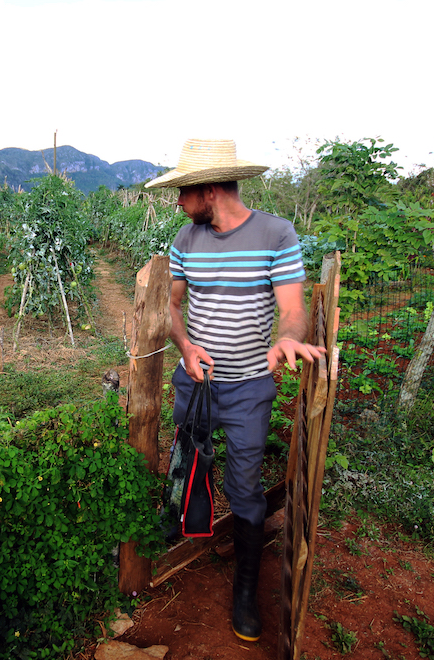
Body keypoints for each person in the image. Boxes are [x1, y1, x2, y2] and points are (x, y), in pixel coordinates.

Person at [146, 138, 326, 642]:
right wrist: (183, 346)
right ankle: (183, 524)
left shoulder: (276, 234)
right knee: (190, 458)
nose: (178, 202)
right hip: (196, 382)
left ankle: (245, 586)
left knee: (243, 484)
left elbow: (292, 309)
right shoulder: (186, 240)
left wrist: (287, 340)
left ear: (209, 189)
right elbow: (173, 306)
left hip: (249, 387)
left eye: (183, 192)